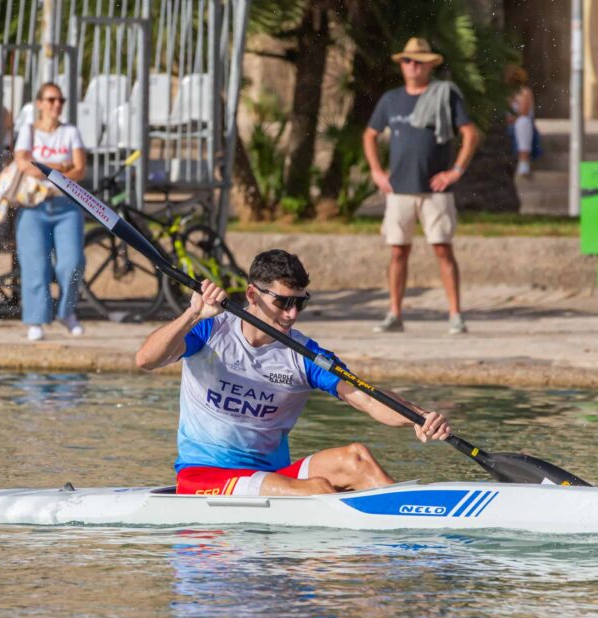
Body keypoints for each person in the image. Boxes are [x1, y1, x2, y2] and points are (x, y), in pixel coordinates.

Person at [135, 249, 452, 497]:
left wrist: (418, 417)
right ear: (251, 295)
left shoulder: (306, 355)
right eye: (282, 302)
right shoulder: (209, 330)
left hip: (274, 475)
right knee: (316, 490)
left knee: (356, 459)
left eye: (300, 304)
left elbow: (367, 399)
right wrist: (192, 313)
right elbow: (146, 360)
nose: (291, 314)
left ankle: (408, 522)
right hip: (204, 477)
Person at [363, 37, 479, 335]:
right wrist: (377, 171)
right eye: (406, 61)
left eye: (418, 61)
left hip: (435, 189)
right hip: (399, 189)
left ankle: (455, 314)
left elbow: (469, 133)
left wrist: (455, 171)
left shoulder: (445, 95)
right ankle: (395, 313)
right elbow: (370, 135)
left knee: (443, 249)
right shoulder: (391, 99)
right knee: (397, 252)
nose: (412, 66)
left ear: (430, 65)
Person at [12, 82, 86, 341]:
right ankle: (36, 320)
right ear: (40, 103)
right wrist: (59, 166)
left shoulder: (70, 132)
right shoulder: (29, 131)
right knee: (35, 266)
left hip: (66, 206)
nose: (57, 104)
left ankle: (66, 311)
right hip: (34, 206)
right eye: (51, 99)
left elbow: (79, 169)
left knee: (72, 262)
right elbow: (22, 163)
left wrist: (45, 169)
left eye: (60, 100)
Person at [506, 64, 537, 177]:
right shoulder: (505, 93)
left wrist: (512, 119)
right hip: (507, 125)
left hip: (520, 124)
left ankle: (524, 162)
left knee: (523, 122)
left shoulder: (525, 92)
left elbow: (523, 111)